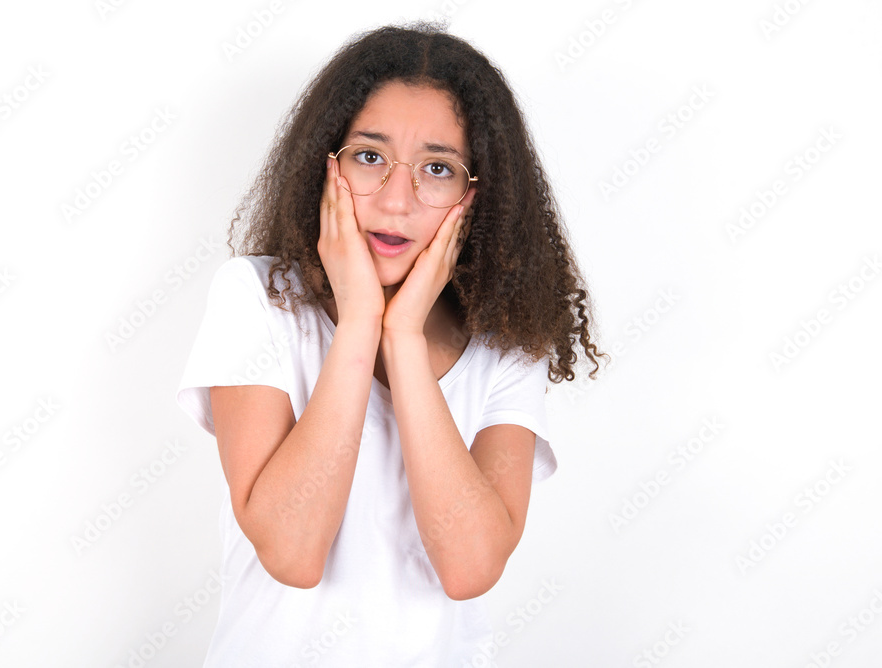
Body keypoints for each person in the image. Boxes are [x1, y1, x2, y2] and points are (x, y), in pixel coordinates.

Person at [175, 21, 606, 667]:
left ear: (476, 195)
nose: (396, 200)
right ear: (326, 164)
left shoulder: (507, 345)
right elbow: (292, 553)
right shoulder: (259, 299)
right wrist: (357, 324)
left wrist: (402, 335)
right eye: (369, 156)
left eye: (438, 168)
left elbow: (468, 569)